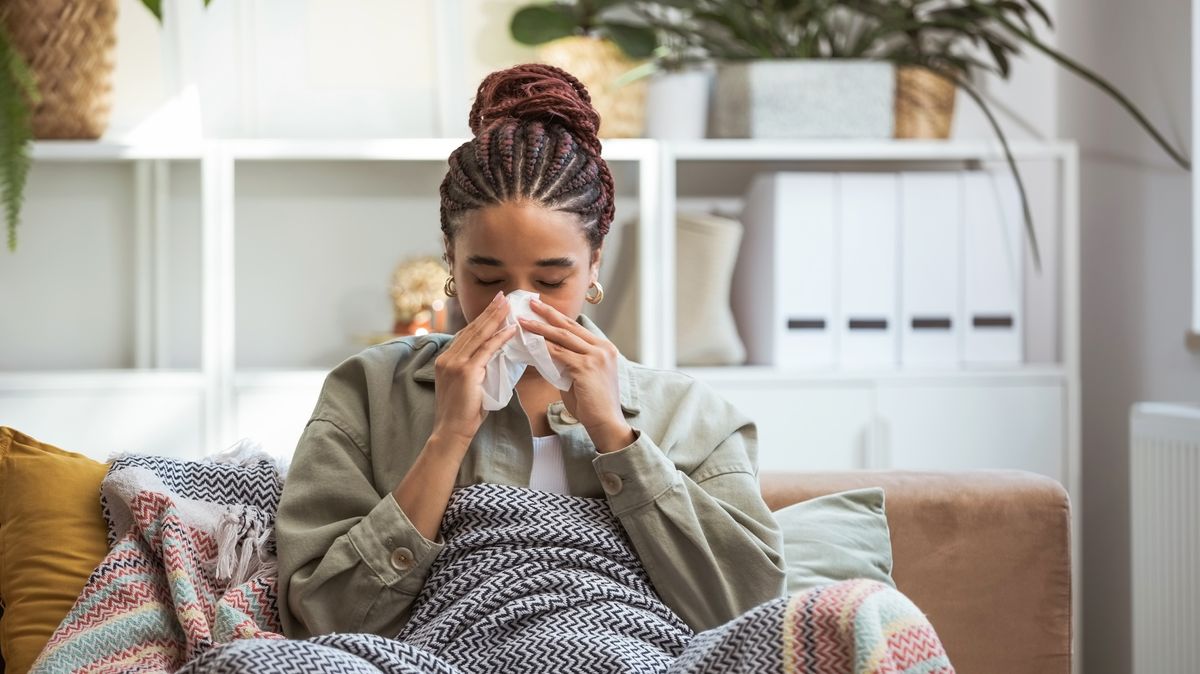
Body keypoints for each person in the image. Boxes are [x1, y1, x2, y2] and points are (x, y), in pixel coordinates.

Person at [275, 63, 787, 641]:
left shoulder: (692, 414)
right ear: (450, 259)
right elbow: (320, 617)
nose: (515, 305)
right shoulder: (368, 392)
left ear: (595, 264)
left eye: (549, 282)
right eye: (488, 278)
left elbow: (749, 616)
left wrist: (614, 435)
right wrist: (447, 439)